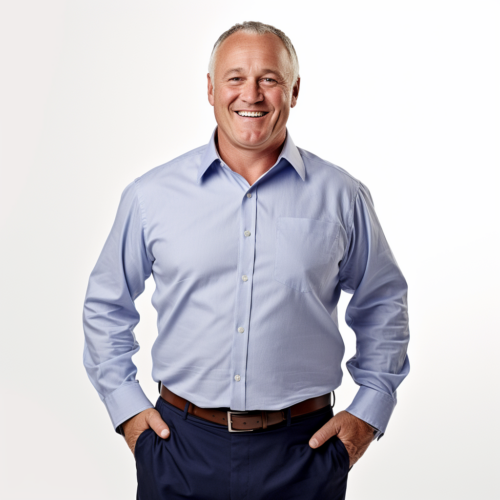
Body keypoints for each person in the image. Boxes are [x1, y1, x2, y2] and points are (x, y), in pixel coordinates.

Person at [82, 21, 410, 500]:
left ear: (293, 91)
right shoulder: (151, 196)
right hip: (180, 448)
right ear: (211, 89)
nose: (251, 94)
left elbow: (383, 301)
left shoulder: (342, 197)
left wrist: (368, 412)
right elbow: (106, 303)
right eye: (235, 78)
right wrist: (128, 411)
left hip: (304, 453)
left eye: (269, 79)